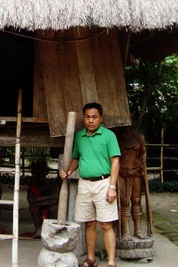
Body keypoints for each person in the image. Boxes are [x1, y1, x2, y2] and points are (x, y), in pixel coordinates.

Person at [60, 102, 121, 267]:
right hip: (84, 184)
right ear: (83, 118)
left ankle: (111, 262)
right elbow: (76, 158)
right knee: (89, 223)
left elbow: (115, 161)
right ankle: (91, 259)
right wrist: (68, 171)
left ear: (101, 118)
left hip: (104, 183)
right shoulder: (80, 136)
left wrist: (112, 187)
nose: (91, 120)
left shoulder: (109, 136)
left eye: (94, 117)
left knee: (106, 224)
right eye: (87, 117)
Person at [116, 123, 147, 240]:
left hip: (136, 172)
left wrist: (142, 166)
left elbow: (143, 153)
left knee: (137, 200)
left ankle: (138, 230)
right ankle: (125, 232)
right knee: (124, 201)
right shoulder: (117, 138)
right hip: (122, 173)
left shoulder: (139, 137)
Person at [27, 160, 59, 238]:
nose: (40, 175)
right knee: (33, 208)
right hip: (40, 206)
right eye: (37, 172)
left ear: (46, 172)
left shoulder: (53, 184)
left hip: (50, 206)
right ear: (33, 174)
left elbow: (55, 199)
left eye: (42, 172)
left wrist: (37, 200)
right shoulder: (32, 187)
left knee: (53, 207)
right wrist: (48, 199)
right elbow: (30, 201)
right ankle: (38, 230)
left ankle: (54, 230)